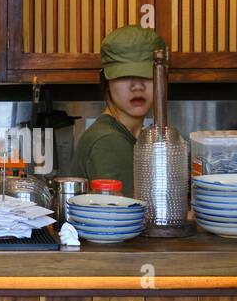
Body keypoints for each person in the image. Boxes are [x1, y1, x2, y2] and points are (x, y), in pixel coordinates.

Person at [69, 25, 166, 197]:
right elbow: (128, 217)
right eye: (124, 76)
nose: (137, 86)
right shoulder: (110, 142)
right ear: (106, 82)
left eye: (146, 75)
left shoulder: (120, 133)